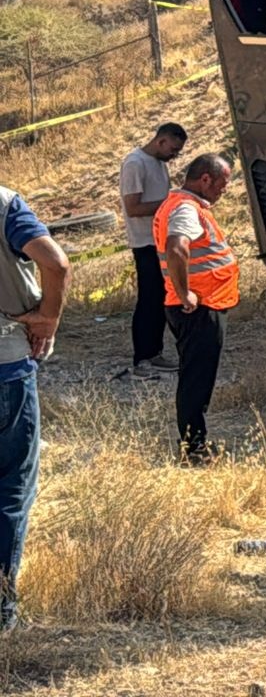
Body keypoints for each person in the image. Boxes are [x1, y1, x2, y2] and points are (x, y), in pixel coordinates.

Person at [0, 182, 70, 632]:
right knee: (10, 488)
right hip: (5, 365)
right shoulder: (4, 203)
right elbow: (56, 263)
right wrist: (49, 316)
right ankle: (2, 609)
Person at [154, 154, 239, 463]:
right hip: (199, 307)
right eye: (222, 184)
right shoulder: (185, 209)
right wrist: (185, 293)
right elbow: (176, 248)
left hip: (202, 305)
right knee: (196, 380)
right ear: (205, 179)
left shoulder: (181, 205)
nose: (224, 190)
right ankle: (194, 450)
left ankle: (194, 444)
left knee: (197, 376)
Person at [118, 122, 186, 375]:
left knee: (163, 298)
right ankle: (143, 358)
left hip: (162, 240)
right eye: (173, 149)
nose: (174, 155)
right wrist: (170, 204)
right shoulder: (135, 163)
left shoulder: (159, 163)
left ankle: (155, 352)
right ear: (161, 141)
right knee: (149, 300)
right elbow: (133, 208)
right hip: (145, 243)